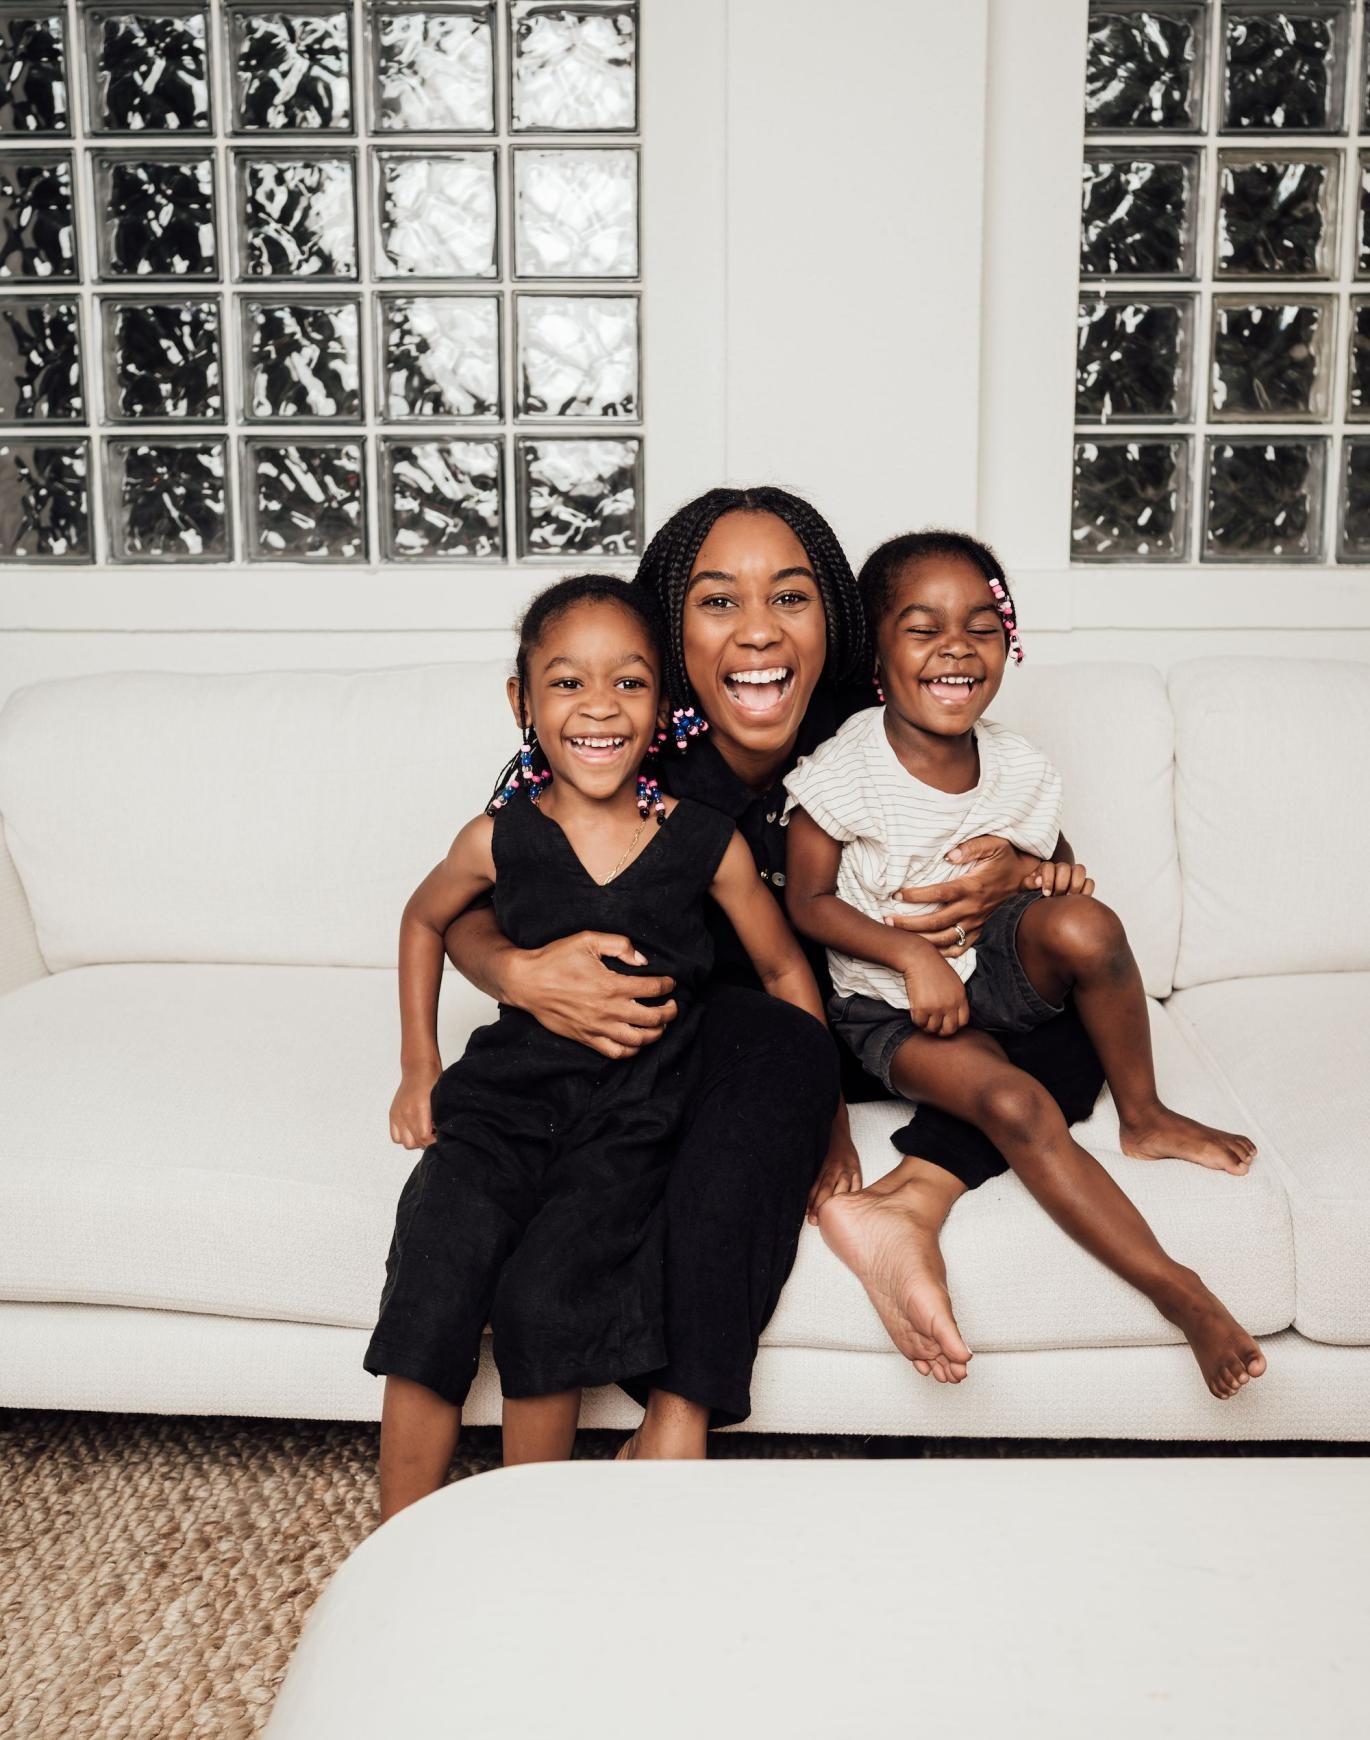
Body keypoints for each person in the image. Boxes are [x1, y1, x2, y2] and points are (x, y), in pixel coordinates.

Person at [443, 487, 1108, 1451]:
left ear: (832, 622)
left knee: (1081, 981)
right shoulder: (617, 747)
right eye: (719, 602)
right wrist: (517, 971)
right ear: (668, 634)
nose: (758, 632)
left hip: (887, 1012)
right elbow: (464, 901)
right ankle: (679, 1414)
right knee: (754, 1041)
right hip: (718, 1048)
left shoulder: (879, 725)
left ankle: (910, 1202)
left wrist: (1017, 873)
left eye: (789, 599)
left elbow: (1055, 884)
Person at [364, 576, 827, 1518]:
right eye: (568, 684)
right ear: (522, 702)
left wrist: (821, 1120)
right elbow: (423, 920)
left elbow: (782, 973)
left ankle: (531, 1536)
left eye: (629, 684)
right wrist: (420, 1065)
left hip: (630, 1125)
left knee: (549, 1297)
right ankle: (397, 1542)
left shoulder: (706, 844)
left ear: (663, 706)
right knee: (438, 1264)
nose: (600, 708)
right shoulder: (499, 837)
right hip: (501, 1108)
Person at [783, 529, 1266, 1400]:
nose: (956, 647)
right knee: (1016, 1101)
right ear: (878, 658)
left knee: (1088, 926)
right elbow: (808, 902)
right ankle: (1180, 1292)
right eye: (922, 628)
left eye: (980, 626)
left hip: (995, 971)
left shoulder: (1019, 765)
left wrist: (1039, 875)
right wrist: (907, 956)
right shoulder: (847, 767)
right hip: (889, 1006)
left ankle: (1146, 1115)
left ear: (1007, 644)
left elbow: (1055, 872)